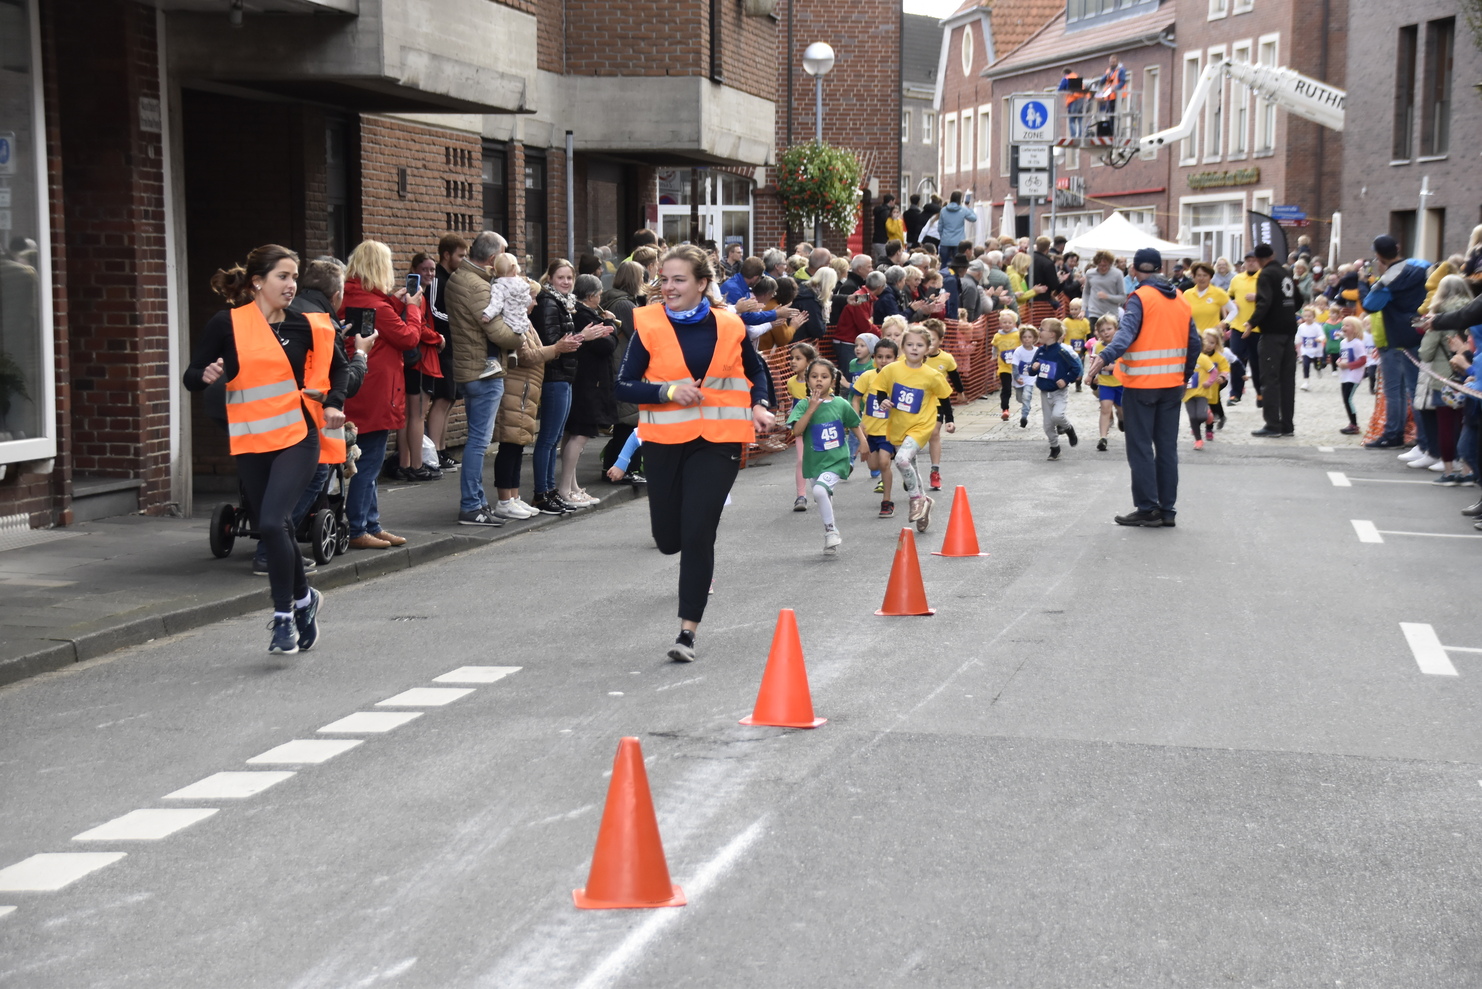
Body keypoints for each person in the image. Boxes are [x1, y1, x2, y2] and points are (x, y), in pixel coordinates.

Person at [613, 244, 775, 663]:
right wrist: (667, 391)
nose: (668, 287)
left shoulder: (729, 324)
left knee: (699, 529)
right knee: (670, 539)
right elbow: (623, 385)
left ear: (702, 283)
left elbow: (755, 370)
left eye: (678, 280)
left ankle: (687, 633)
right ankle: (679, 553)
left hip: (719, 440)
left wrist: (759, 404)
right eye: (664, 279)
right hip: (665, 442)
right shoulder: (648, 323)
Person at [184, 244, 347, 654]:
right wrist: (205, 375)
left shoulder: (307, 325)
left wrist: (333, 404)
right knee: (280, 527)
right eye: (283, 277)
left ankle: (283, 617)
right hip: (252, 440)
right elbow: (191, 375)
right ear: (258, 282)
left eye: (294, 277)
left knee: (273, 523)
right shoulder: (227, 324)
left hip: (298, 436)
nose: (292, 285)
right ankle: (305, 600)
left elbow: (340, 369)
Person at [1083, 247, 1200, 527]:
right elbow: (1194, 343)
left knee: (1140, 447)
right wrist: (1184, 376)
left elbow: (1126, 334)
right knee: (1167, 448)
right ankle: (1167, 510)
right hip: (1172, 385)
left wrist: (1104, 356)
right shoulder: (1181, 298)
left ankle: (1148, 508)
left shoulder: (1140, 297)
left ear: (1134, 270)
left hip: (1142, 385)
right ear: (1160, 269)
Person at [339, 240, 424, 549]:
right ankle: (358, 529)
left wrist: (396, 304)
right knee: (369, 463)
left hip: (355, 388)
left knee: (364, 461)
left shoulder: (349, 297)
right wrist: (412, 308)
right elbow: (408, 337)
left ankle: (371, 524)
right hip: (376, 393)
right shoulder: (377, 305)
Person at [445, 230, 525, 526]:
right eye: (504, 254)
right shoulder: (477, 285)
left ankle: (477, 502)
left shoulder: (461, 278)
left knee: (476, 440)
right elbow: (498, 332)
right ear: (493, 258)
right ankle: (471, 506)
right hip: (483, 371)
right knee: (478, 443)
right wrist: (520, 334)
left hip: (471, 369)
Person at [875, 326, 954, 531]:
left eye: (919, 345)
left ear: (927, 349)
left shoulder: (932, 375)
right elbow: (880, 389)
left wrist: (949, 420)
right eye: (910, 344)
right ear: (902, 347)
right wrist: (883, 401)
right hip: (899, 426)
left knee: (901, 460)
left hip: (921, 426)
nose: (914, 348)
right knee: (913, 468)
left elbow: (945, 397)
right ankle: (925, 503)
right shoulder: (891, 369)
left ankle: (916, 499)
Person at [1362, 234, 1433, 449]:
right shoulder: (1421, 265)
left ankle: (1421, 443)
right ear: (1398, 247)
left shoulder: (1387, 281)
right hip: (1425, 329)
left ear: (1378, 256)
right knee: (1420, 390)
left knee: (1409, 390)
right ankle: (1424, 441)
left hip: (1403, 336)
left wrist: (1365, 283)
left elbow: (1370, 305)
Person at [788, 359, 866, 554]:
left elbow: (854, 423)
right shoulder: (803, 405)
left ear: (832, 381)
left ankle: (831, 532)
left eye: (824, 377)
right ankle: (830, 531)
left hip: (837, 459)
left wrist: (863, 443)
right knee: (823, 494)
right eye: (814, 376)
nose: (819, 380)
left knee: (820, 491)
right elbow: (797, 431)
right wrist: (811, 409)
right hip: (815, 461)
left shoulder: (840, 403)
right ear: (807, 380)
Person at [559, 274, 619, 506]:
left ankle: (572, 486)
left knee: (572, 433)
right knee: (580, 434)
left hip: (580, 380)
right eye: (600, 294)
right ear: (592, 295)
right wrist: (611, 324)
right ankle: (566, 488)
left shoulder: (578, 313)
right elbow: (606, 345)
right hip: (588, 383)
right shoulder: (585, 316)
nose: (600, 298)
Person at [531, 259, 581, 513]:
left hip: (564, 375)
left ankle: (550, 491)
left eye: (569, 278)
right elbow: (553, 341)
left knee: (554, 438)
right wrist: (583, 337)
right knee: (548, 438)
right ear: (550, 278)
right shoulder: (549, 302)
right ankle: (542, 493)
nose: (566, 282)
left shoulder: (564, 302)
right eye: (561, 277)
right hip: (554, 375)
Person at [394, 251, 445, 482]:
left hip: (408, 361)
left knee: (407, 415)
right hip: (420, 360)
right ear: (414, 269)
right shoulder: (417, 297)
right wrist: (439, 338)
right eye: (425, 269)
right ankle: (416, 465)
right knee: (417, 415)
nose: (430, 273)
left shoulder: (405, 294)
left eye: (432, 269)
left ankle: (405, 464)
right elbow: (419, 328)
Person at [1248, 243, 1302, 437]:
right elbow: (1299, 299)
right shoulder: (1285, 272)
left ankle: (1272, 425)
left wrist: (1251, 322)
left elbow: (1265, 301)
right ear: (1274, 254)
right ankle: (1287, 425)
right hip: (1289, 331)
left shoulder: (1266, 274)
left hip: (1272, 333)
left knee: (1270, 379)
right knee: (1287, 380)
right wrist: (1286, 311)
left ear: (1258, 259)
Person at [600, 260, 648, 479]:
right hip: (624, 366)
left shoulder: (615, 301)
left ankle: (616, 468)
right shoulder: (625, 305)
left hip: (619, 364)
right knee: (628, 420)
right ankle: (624, 470)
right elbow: (640, 334)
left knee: (625, 420)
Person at [425, 235, 468, 473]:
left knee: (450, 399)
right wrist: (458, 321)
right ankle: (434, 452)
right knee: (441, 399)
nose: (463, 260)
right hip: (441, 347)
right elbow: (433, 311)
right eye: (460, 256)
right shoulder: (436, 279)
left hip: (453, 345)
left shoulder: (451, 278)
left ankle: (442, 448)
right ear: (446, 255)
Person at [852, 337, 899, 516]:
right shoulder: (867, 377)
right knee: (873, 466)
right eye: (880, 357)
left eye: (888, 357)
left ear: (896, 359)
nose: (884, 361)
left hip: (889, 431)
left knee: (884, 462)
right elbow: (856, 399)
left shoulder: (898, 379)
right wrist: (858, 421)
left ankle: (887, 501)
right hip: (869, 431)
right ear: (874, 358)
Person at [1029, 318, 1081, 460]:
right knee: (1047, 425)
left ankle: (1069, 428)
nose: (1039, 331)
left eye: (1041, 329)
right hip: (1045, 393)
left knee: (1057, 416)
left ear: (1052, 334)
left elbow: (1076, 368)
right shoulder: (1040, 351)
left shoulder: (1061, 352)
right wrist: (1033, 368)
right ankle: (1054, 447)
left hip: (1059, 392)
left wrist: (1066, 379)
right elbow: (1031, 371)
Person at [922, 319, 962, 490]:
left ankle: (935, 471)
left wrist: (960, 392)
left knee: (934, 433)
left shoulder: (946, 358)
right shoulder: (913, 358)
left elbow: (954, 377)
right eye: (926, 339)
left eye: (932, 339)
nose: (929, 343)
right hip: (917, 404)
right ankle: (909, 469)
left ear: (940, 340)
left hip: (937, 403)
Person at [784, 342, 818, 510]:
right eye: (791, 358)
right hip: (800, 427)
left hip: (817, 425)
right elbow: (795, 402)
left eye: (798, 358)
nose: (793, 361)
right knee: (801, 460)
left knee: (819, 459)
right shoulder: (791, 382)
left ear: (809, 361)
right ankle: (801, 496)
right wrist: (791, 412)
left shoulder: (817, 381)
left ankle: (821, 490)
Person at [1227, 252, 1261, 406]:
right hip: (1238, 326)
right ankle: (1235, 393)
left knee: (1257, 363)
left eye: (1254, 260)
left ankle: (1260, 393)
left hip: (1258, 328)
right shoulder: (1237, 279)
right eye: (1248, 261)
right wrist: (1232, 303)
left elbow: (1273, 297)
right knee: (1236, 361)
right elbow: (1228, 297)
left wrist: (1257, 297)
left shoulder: (1264, 278)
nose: (1251, 263)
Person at [1089, 314, 1124, 450]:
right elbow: (1093, 362)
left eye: (1109, 329)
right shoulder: (1097, 346)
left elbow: (1128, 363)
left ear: (1116, 329)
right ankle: (1103, 438)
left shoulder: (1121, 345)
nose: (1106, 332)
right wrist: (1090, 376)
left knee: (1122, 409)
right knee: (1105, 408)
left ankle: (1121, 418)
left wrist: (1114, 367)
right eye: (1102, 330)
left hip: (1120, 383)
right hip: (1105, 383)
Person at [1183, 334, 1218, 451]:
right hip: (1187, 394)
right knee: (1193, 417)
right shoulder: (1182, 358)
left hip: (1202, 392)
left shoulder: (1202, 358)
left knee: (1201, 416)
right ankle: (1198, 440)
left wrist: (1209, 382)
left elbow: (1214, 371)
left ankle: (1208, 415)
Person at [1336, 315, 1368, 435]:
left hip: (1354, 375)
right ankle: (1352, 423)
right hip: (1344, 375)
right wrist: (1339, 361)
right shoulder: (1343, 343)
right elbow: (1343, 356)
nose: (1343, 327)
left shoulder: (1357, 343)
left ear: (1355, 329)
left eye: (1347, 325)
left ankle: (1354, 425)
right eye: (1343, 325)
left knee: (1348, 399)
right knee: (1345, 399)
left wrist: (1349, 365)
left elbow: (1363, 360)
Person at [992, 309, 1022, 420]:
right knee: (1006, 389)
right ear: (1000, 323)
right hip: (1004, 367)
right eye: (1004, 322)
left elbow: (1023, 346)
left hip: (1017, 367)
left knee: (1020, 388)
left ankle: (1023, 401)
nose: (1007, 325)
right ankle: (1005, 409)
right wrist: (993, 355)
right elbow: (995, 346)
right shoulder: (997, 336)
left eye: (1010, 322)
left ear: (1014, 323)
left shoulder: (1017, 334)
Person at [1010, 324, 1039, 428]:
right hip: (1019, 378)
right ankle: (1026, 405)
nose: (1027, 339)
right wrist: (1017, 377)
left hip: (1030, 379)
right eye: (1024, 337)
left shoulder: (1036, 351)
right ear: (1021, 338)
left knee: (1026, 396)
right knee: (1020, 398)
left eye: (1029, 337)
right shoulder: (1018, 351)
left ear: (1034, 338)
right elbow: (1015, 365)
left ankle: (1024, 416)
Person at [1063, 297, 1091, 391]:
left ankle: (1078, 384)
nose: (1073, 311)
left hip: (1081, 350)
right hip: (1068, 349)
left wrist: (1085, 349)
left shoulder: (1085, 322)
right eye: (1072, 309)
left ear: (1081, 310)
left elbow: (1088, 335)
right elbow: (1062, 333)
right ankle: (1065, 382)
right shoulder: (1066, 321)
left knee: (1080, 366)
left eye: (1076, 309)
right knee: (1067, 366)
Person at [1297, 307, 1324, 390]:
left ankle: (1318, 369)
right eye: (1305, 316)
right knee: (1306, 364)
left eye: (1309, 316)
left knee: (1317, 364)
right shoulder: (1301, 327)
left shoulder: (1317, 327)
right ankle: (1306, 382)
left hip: (1316, 350)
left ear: (1313, 317)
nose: (1307, 318)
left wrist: (1319, 339)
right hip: (1306, 350)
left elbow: (1322, 335)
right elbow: (1298, 336)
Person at [872, 193, 897, 261]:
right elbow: (890, 228)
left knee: (878, 261)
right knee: (884, 261)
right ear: (891, 201)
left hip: (876, 239)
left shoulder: (878, 210)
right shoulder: (887, 213)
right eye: (894, 202)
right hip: (883, 240)